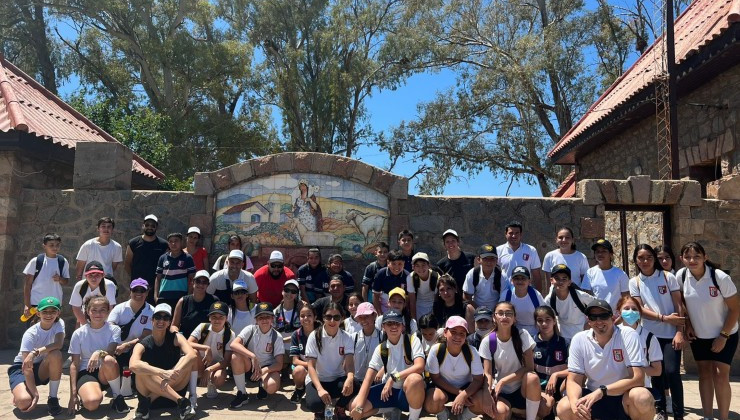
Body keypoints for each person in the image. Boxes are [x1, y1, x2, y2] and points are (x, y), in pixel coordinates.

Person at [556, 299, 655, 420]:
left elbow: (638, 378)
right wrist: (574, 404)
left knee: (642, 397)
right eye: (593, 317)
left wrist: (602, 391)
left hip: (623, 397)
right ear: (588, 320)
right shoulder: (579, 339)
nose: (599, 321)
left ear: (613, 318)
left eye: (603, 316)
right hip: (593, 398)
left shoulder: (628, 334)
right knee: (564, 406)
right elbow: (573, 380)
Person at [679, 242, 739, 420]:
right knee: (704, 374)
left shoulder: (719, 277)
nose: (692, 260)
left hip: (725, 334)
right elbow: (681, 302)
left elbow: (735, 309)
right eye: (687, 257)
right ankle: (707, 416)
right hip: (699, 335)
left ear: (705, 257)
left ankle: (723, 417)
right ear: (682, 259)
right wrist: (688, 324)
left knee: (720, 375)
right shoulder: (681, 276)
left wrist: (723, 336)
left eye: (696, 256)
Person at [629, 244, 685, 419]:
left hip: (670, 335)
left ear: (654, 259)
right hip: (649, 335)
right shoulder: (635, 282)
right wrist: (664, 318)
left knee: (672, 372)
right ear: (635, 260)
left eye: (649, 257)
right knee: (655, 373)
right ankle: (660, 411)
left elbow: (678, 305)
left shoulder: (668, 277)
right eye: (641, 258)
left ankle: (678, 413)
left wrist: (679, 331)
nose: (645, 261)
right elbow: (640, 309)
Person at [350, 309, 426, 420]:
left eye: (397, 323)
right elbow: (368, 378)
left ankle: (413, 418)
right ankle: (389, 409)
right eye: (389, 323)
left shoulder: (412, 340)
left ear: (402, 326)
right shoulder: (381, 348)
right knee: (355, 406)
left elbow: (420, 366)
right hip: (388, 393)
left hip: (407, 393)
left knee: (415, 379)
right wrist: (359, 408)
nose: (394, 327)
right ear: (383, 327)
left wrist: (393, 378)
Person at [128, 302, 197, 420]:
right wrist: (161, 373)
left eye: (166, 318)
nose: (161, 321)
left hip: (153, 398)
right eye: (158, 317)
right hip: (158, 394)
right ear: (152, 320)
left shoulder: (176, 337)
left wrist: (171, 374)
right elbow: (133, 365)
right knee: (142, 367)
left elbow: (192, 355)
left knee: (186, 360)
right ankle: (182, 402)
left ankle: (145, 405)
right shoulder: (142, 344)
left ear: (170, 322)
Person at [479, 301, 546, 420]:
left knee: (532, 377)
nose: (504, 317)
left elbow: (530, 367)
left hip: (522, 389)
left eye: (509, 313)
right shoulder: (488, 341)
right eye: (500, 313)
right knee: (499, 413)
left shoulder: (522, 335)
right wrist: (487, 392)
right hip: (502, 392)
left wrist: (503, 381)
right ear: (494, 318)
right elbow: (488, 373)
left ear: (514, 318)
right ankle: (514, 412)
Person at [67, 296, 128, 414]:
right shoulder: (78, 333)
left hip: (105, 372)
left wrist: (98, 352)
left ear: (108, 311)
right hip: (86, 372)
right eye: (94, 310)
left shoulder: (114, 329)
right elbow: (74, 364)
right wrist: (72, 395)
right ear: (88, 312)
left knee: (109, 359)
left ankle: (117, 397)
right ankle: (88, 393)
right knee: (91, 404)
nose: (98, 314)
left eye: (102, 310)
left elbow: (110, 352)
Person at [425, 316, 493, 420]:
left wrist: (464, 395)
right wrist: (459, 393)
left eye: (462, 333)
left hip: (467, 388)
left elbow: (478, 379)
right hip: (443, 387)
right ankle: (443, 412)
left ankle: (465, 416)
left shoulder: (472, 351)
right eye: (453, 332)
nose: (457, 336)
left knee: (483, 400)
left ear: (466, 336)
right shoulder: (436, 350)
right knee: (432, 402)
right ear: (445, 332)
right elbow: (436, 378)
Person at [9, 296, 65, 416]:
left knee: (56, 354)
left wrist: (35, 352)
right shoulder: (30, 334)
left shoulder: (59, 323)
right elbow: (27, 368)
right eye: (45, 311)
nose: (49, 315)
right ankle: (20, 390)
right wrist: (35, 393)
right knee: (24, 402)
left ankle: (53, 398)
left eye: (53, 311)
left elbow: (58, 344)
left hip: (40, 367)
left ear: (58, 313)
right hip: (22, 369)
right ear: (38, 313)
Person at [304, 303, 356, 419]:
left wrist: (350, 378)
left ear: (342, 318)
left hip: (337, 378)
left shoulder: (347, 337)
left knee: (355, 385)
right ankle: (320, 411)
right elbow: (311, 367)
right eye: (328, 317)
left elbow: (349, 364)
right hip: (318, 380)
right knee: (314, 405)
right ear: (323, 318)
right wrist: (320, 389)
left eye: (336, 317)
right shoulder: (314, 336)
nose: (332, 320)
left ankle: (339, 407)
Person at [230, 302, 285, 406]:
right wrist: (252, 356)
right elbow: (233, 344)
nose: (264, 320)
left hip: (267, 368)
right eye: (260, 317)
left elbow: (279, 364)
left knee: (272, 387)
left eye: (267, 317)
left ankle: (262, 385)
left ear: (272, 318)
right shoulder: (250, 329)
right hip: (250, 365)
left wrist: (263, 371)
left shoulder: (276, 336)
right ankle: (242, 393)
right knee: (235, 356)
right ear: (256, 319)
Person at [616, 296, 663, 411]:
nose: (630, 312)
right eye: (626, 308)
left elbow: (657, 370)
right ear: (619, 312)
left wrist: (634, 370)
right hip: (614, 385)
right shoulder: (611, 334)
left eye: (634, 309)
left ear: (640, 313)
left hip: (639, 388)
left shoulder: (649, 337)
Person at [107, 278, 153, 385]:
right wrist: (117, 345)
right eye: (135, 290)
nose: (138, 293)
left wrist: (126, 345)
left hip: (137, 348)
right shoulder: (119, 308)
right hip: (118, 348)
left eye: (142, 290)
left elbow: (145, 336)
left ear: (147, 293)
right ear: (130, 291)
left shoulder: (152, 311)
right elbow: (109, 327)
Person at [188, 301, 235, 405]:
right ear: (209, 318)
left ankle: (211, 384)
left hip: (216, 366)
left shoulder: (229, 334)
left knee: (220, 378)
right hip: (200, 362)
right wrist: (206, 348)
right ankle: (192, 392)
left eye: (221, 317)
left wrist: (209, 369)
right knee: (193, 352)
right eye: (214, 316)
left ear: (226, 318)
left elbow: (226, 361)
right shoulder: (202, 327)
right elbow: (187, 343)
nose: (217, 320)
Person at [532, 305, 569, 420]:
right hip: (540, 389)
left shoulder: (565, 343)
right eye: (540, 320)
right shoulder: (531, 344)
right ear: (536, 323)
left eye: (548, 319)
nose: (544, 324)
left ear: (554, 321)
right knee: (545, 406)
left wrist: (556, 374)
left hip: (561, 388)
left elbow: (574, 369)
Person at [22, 233, 69, 321]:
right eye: (51, 245)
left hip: (54, 304)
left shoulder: (63, 261)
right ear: (44, 246)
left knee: (52, 332)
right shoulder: (35, 261)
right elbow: (27, 285)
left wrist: (60, 279)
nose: (55, 248)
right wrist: (27, 305)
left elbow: (66, 281)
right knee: (33, 332)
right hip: (36, 305)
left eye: (57, 245)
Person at [125, 214, 169, 304]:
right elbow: (127, 264)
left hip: (156, 287)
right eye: (147, 225)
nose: (150, 227)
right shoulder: (133, 243)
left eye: (153, 226)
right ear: (143, 226)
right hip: (137, 285)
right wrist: (135, 277)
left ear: (156, 227)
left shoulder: (163, 245)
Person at [543, 264, 594, 342]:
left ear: (569, 282)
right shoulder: (549, 300)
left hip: (583, 335)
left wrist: (589, 324)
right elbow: (551, 319)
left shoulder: (580, 296)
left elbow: (597, 307)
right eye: (557, 278)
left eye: (564, 279)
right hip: (563, 337)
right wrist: (557, 338)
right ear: (551, 281)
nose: (560, 282)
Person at [581, 238, 629, 313]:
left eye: (604, 251)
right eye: (597, 252)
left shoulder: (620, 274)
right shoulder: (589, 273)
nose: (600, 254)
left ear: (610, 254)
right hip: (597, 316)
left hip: (615, 316)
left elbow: (626, 298)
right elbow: (586, 296)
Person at [497, 221, 543, 292]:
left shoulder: (531, 250)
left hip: (525, 294)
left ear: (521, 234)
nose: (514, 236)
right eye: (511, 233)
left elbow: (537, 275)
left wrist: (539, 296)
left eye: (517, 233)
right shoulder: (498, 250)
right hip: (504, 293)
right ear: (506, 234)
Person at [172, 270, 220, 338]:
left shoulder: (214, 301)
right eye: (198, 281)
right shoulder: (182, 301)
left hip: (206, 340)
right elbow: (174, 325)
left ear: (208, 284)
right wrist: (178, 335)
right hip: (185, 341)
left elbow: (218, 323)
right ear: (193, 282)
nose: (201, 284)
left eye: (204, 282)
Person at [500, 266, 546, 337]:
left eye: (523, 278)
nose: (520, 281)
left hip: (535, 333)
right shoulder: (506, 295)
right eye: (516, 278)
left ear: (529, 281)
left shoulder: (536, 295)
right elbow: (500, 315)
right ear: (512, 281)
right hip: (513, 332)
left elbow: (544, 315)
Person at [154, 233, 196, 309]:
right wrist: (156, 296)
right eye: (170, 241)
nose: (173, 243)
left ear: (181, 242)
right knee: (164, 320)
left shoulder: (187, 258)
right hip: (164, 296)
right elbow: (158, 278)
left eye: (176, 241)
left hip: (181, 297)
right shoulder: (162, 258)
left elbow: (192, 279)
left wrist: (189, 296)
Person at [70, 261, 117, 326]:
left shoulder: (109, 286)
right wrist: (86, 325)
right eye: (90, 275)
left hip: (104, 320)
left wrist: (102, 326)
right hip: (85, 318)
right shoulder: (79, 286)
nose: (93, 278)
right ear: (85, 276)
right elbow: (76, 307)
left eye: (97, 275)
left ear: (103, 275)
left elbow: (110, 308)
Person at [290, 305, 320, 403]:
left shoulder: (322, 333)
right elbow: (295, 360)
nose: (305, 318)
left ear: (315, 317)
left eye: (309, 315)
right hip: (305, 367)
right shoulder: (296, 334)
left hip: (321, 368)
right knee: (298, 370)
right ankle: (299, 389)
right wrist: (310, 366)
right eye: (302, 316)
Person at [350, 303, 382, 393]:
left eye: (367, 316)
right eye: (360, 317)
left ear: (374, 316)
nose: (363, 320)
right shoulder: (353, 337)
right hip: (356, 381)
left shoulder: (383, 336)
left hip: (376, 381)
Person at [463, 244, 503, 310]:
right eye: (485, 259)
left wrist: (496, 311)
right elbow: (467, 297)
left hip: (496, 310)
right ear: (479, 260)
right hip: (477, 309)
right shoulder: (472, 274)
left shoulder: (501, 275)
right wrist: (479, 310)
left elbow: (504, 298)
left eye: (492, 259)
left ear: (496, 260)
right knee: (468, 308)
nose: (489, 262)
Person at [372, 250, 408, 315]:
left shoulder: (407, 276)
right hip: (383, 306)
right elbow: (376, 296)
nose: (397, 267)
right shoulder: (380, 274)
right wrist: (380, 314)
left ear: (404, 264)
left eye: (400, 264)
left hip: (401, 307)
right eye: (393, 264)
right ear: (388, 263)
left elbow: (408, 298)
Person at [407, 251, 439, 321]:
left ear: (429, 265)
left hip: (433, 306)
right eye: (417, 266)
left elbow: (436, 299)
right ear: (413, 267)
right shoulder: (410, 278)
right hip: (418, 307)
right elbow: (412, 300)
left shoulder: (436, 277)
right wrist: (413, 320)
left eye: (423, 265)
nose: (421, 268)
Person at [275, 279, 304, 346]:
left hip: (297, 350)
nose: (289, 293)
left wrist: (283, 340)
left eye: (293, 291)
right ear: (282, 292)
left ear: (297, 294)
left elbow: (305, 331)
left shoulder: (301, 311)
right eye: (287, 290)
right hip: (280, 350)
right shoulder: (275, 312)